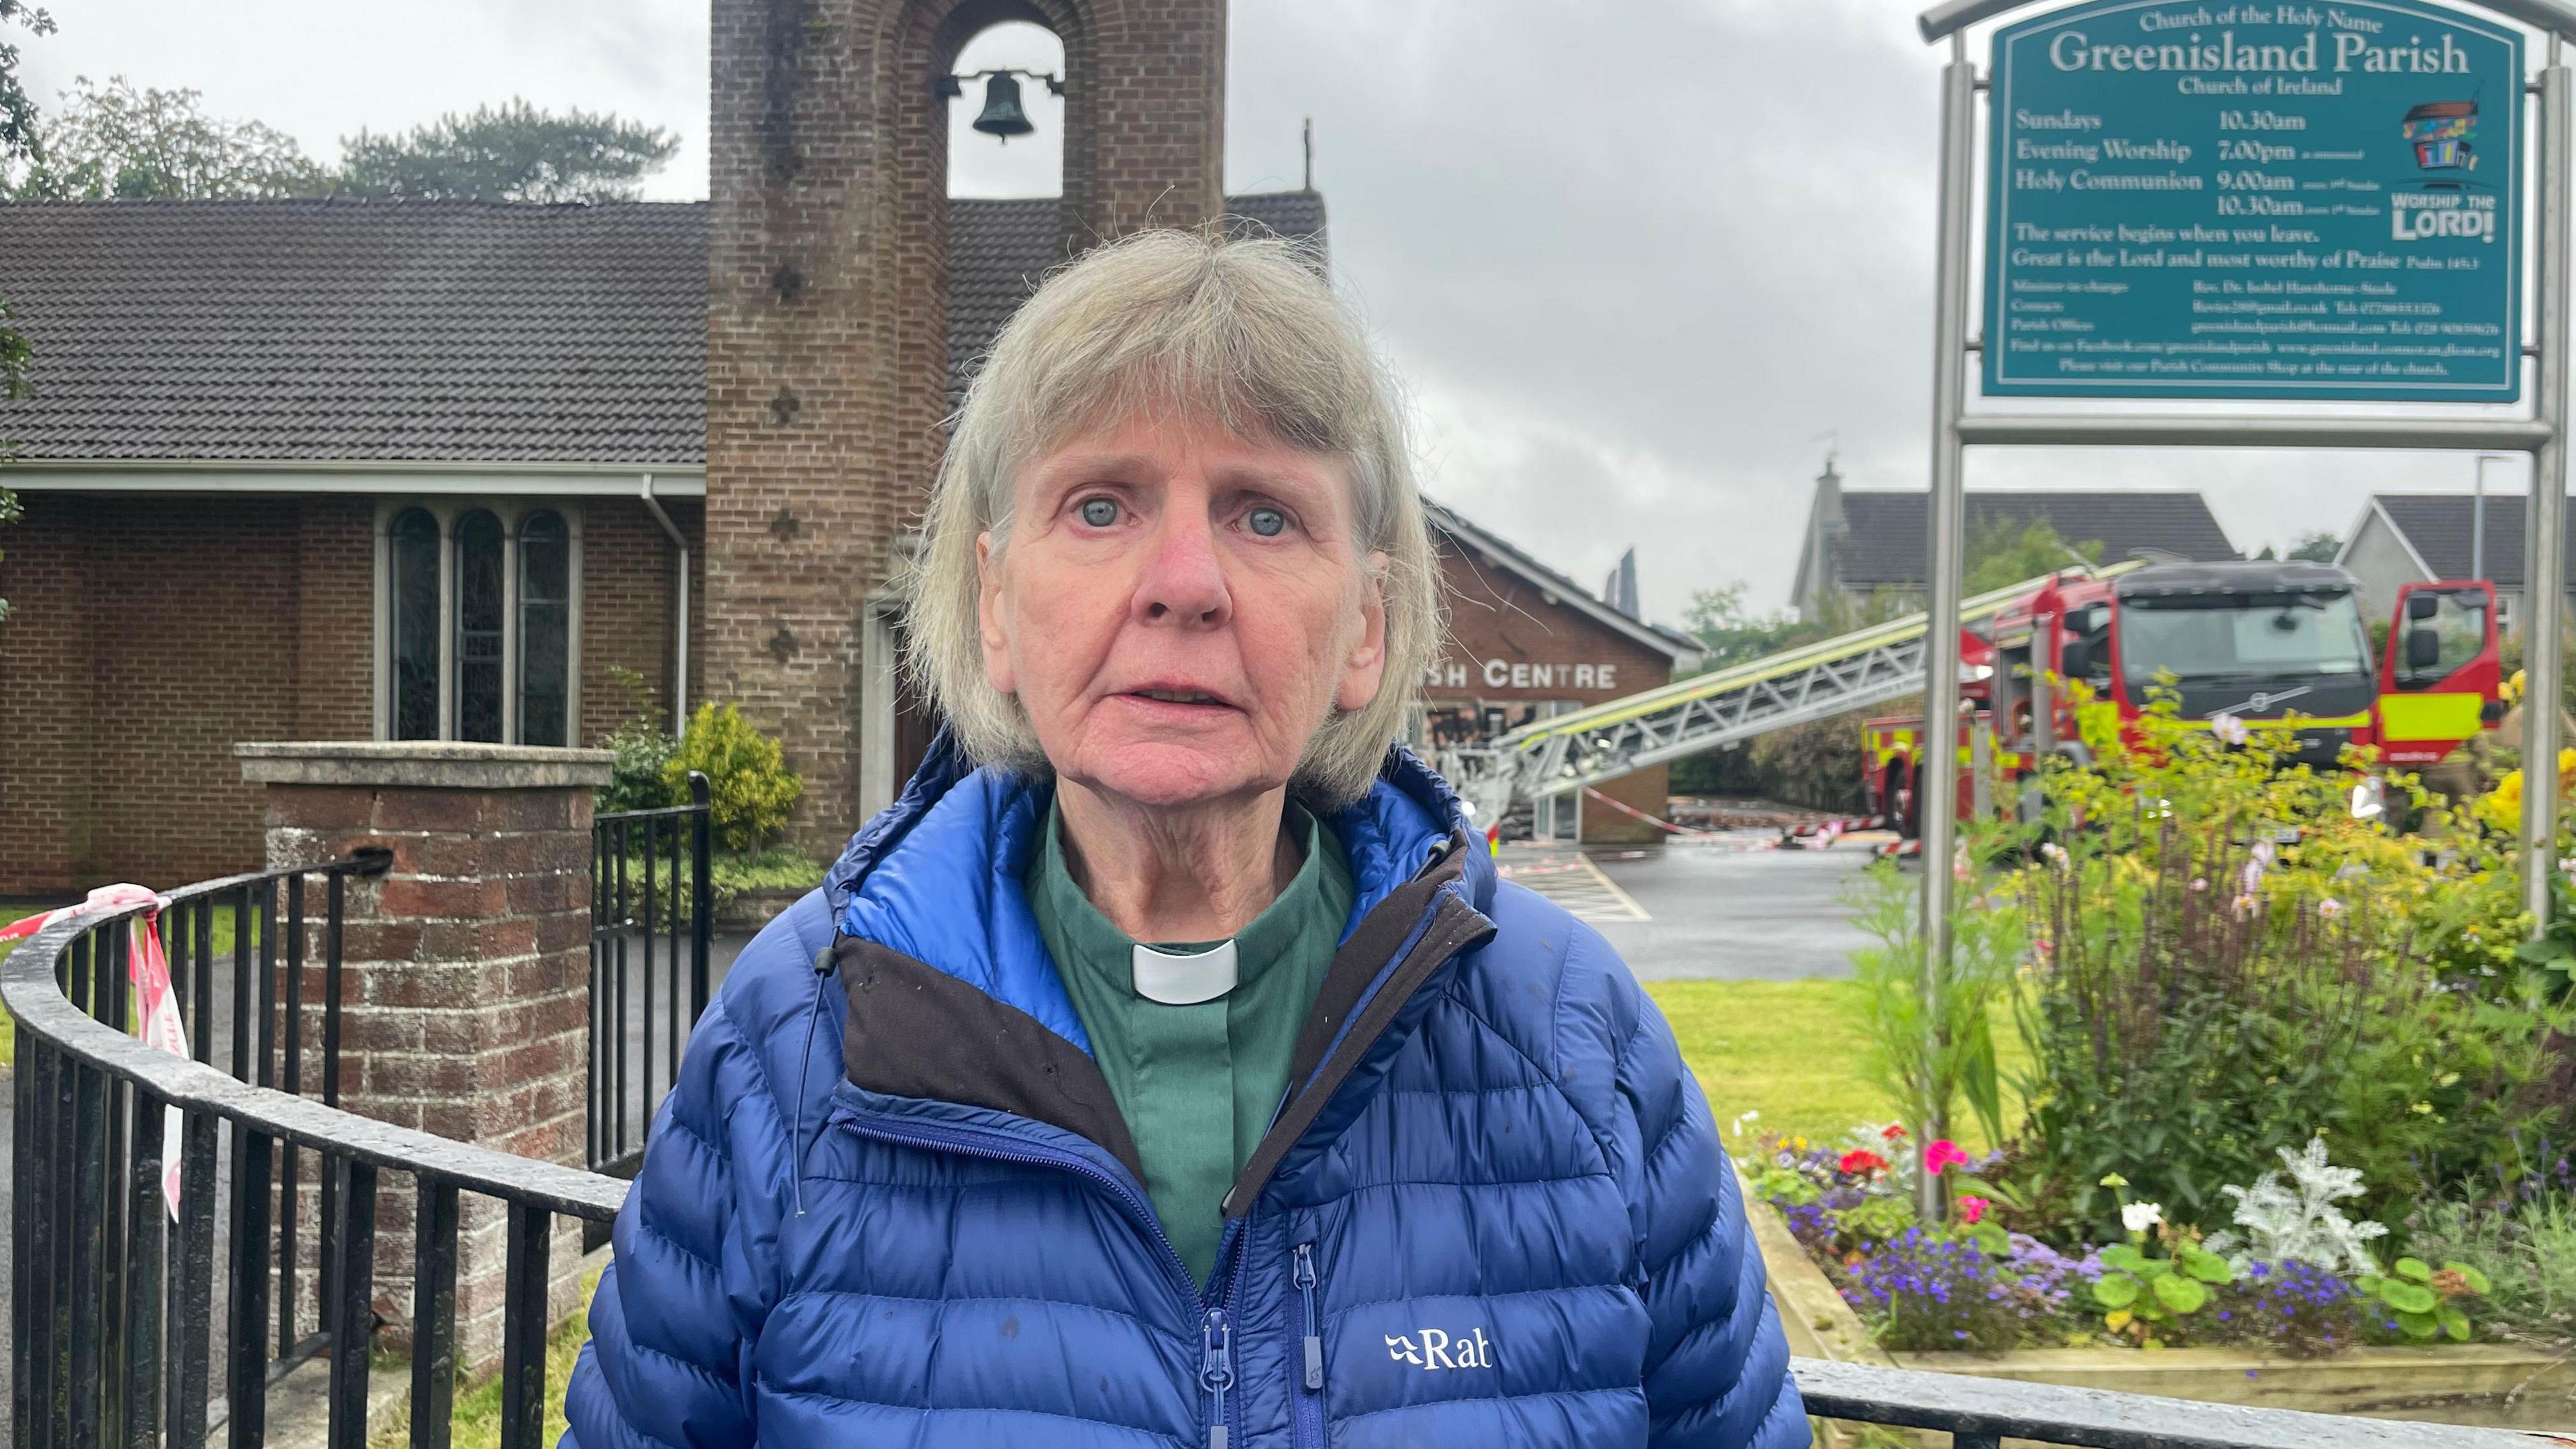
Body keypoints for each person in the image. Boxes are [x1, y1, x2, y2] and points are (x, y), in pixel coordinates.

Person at [562, 229, 1806, 1448]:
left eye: (1265, 517)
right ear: (997, 607)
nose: (1185, 582)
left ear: (1365, 629)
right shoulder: (802, 1032)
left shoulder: (1574, 1040)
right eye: (1100, 505)